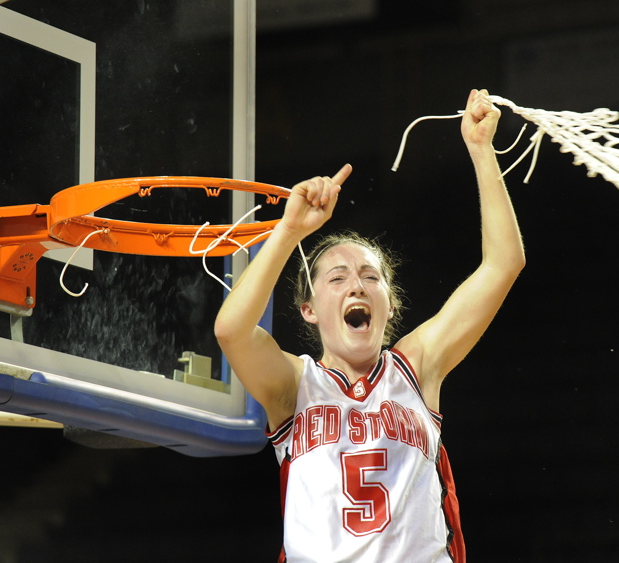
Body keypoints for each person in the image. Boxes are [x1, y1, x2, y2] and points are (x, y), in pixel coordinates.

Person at [215, 89, 525, 562]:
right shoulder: (294, 385)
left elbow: (503, 263)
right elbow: (231, 332)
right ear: (309, 309)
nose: (356, 286)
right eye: (337, 278)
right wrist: (290, 232)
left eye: (369, 277)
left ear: (389, 303)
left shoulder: (416, 367)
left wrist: (482, 151)